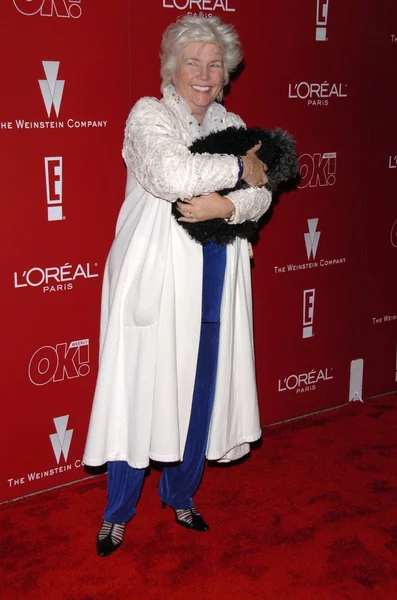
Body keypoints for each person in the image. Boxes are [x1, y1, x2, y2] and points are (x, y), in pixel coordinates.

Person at [83, 13, 272, 558]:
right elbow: (170, 175)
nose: (204, 73)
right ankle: (118, 511)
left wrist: (230, 204)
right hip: (155, 275)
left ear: (227, 72)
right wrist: (240, 169)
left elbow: (263, 194)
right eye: (193, 61)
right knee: (139, 387)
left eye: (215, 64)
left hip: (214, 273)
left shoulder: (231, 121)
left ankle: (181, 494)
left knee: (201, 387)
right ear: (172, 66)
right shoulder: (148, 115)